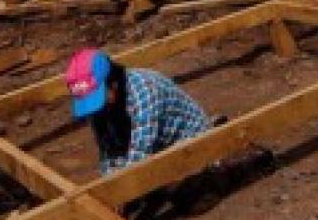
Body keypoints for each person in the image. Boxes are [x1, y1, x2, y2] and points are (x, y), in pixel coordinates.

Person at [64, 48, 210, 175]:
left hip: (190, 142)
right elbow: (108, 151)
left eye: (98, 98)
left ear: (113, 83)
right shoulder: (103, 106)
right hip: (157, 144)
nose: (97, 108)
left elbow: (139, 155)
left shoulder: (145, 93)